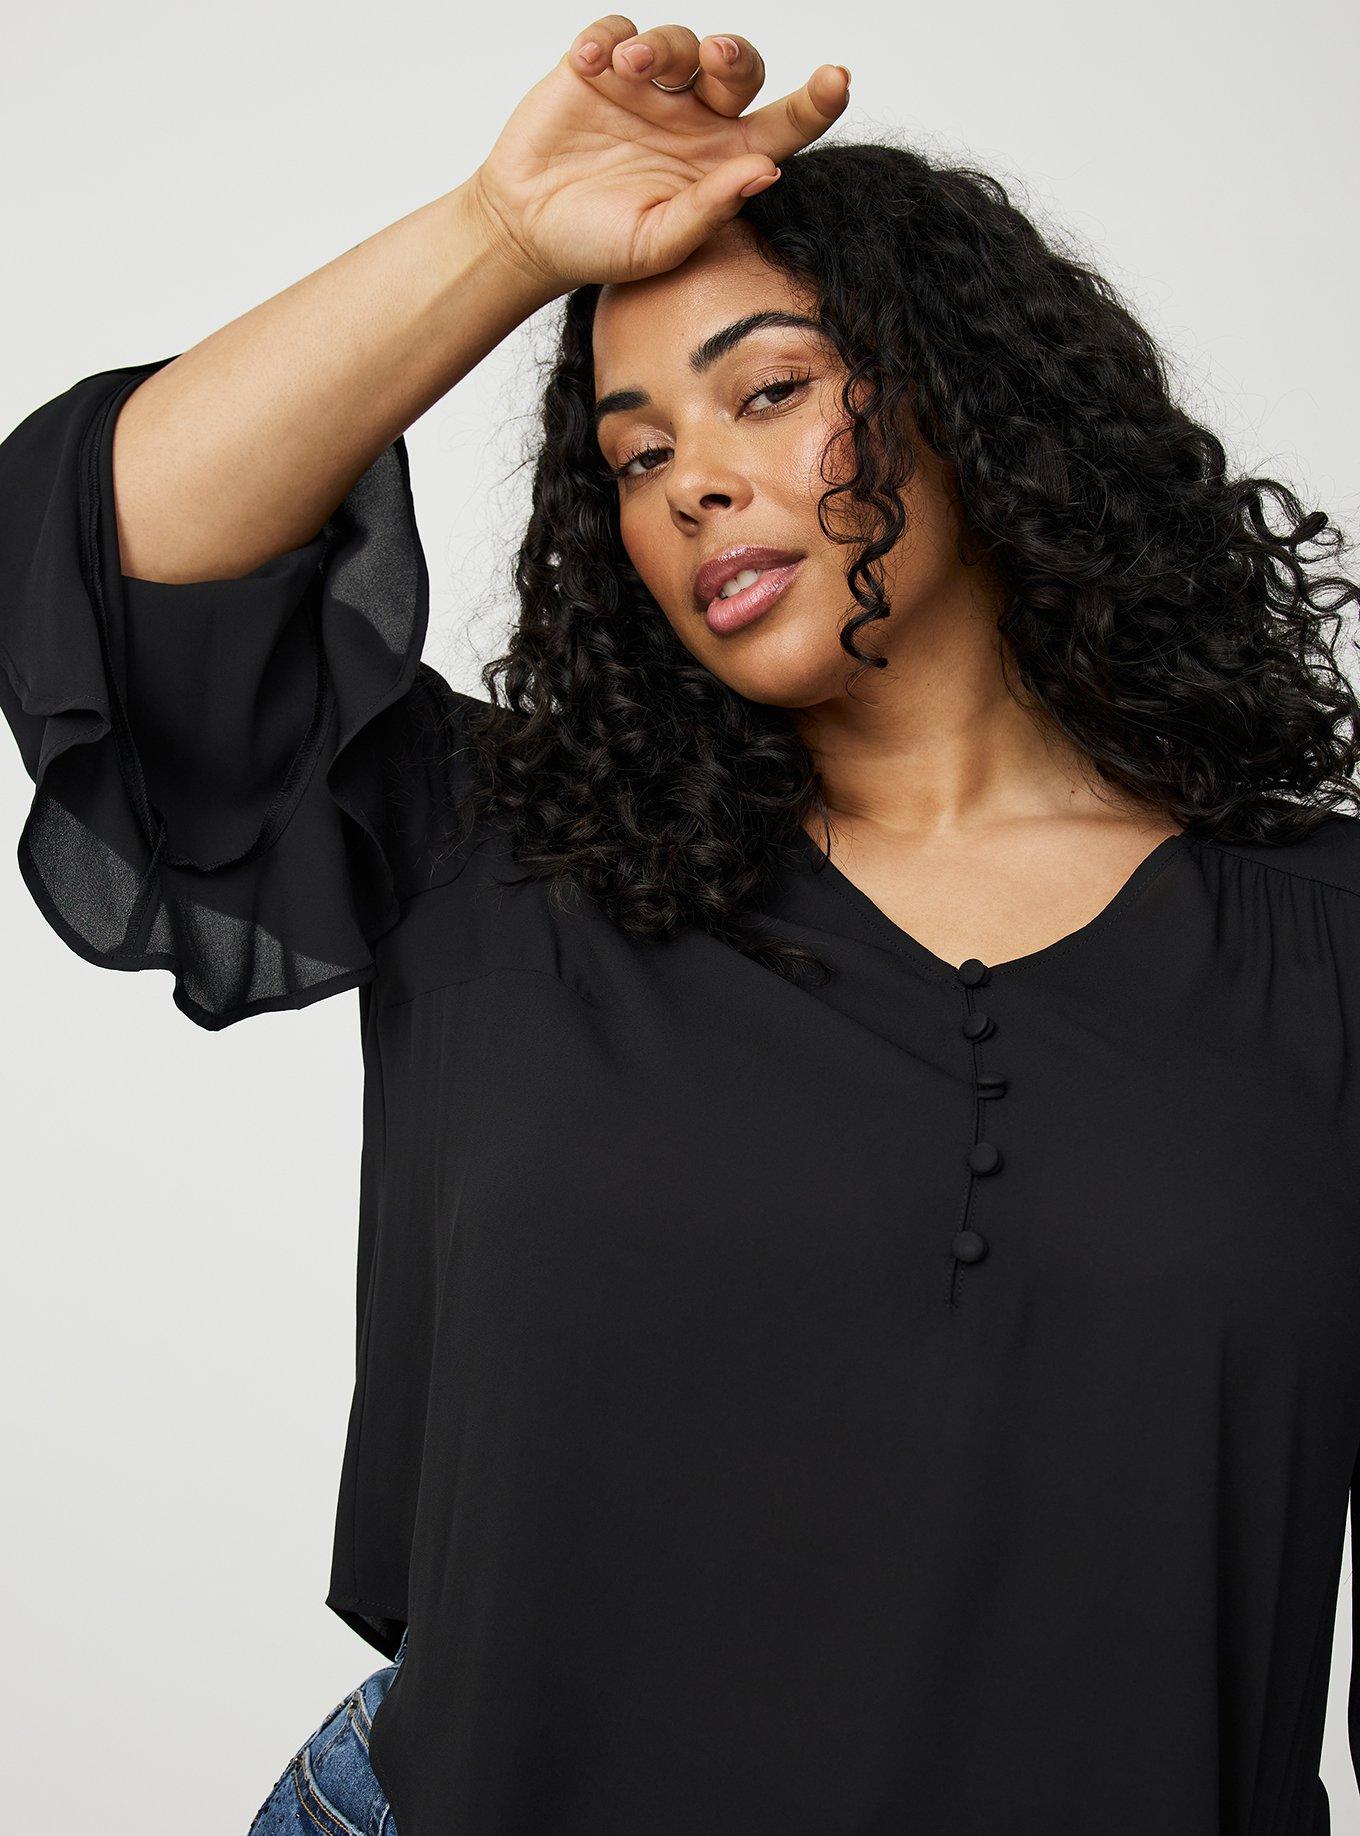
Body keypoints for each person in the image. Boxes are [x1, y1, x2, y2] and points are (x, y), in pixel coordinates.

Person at [3, 14, 1360, 1834]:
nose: (694, 480)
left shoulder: (1328, 946)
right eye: (635, 456)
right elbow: (119, 564)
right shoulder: (506, 854)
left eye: (769, 391)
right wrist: (501, 234)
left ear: (975, 404)